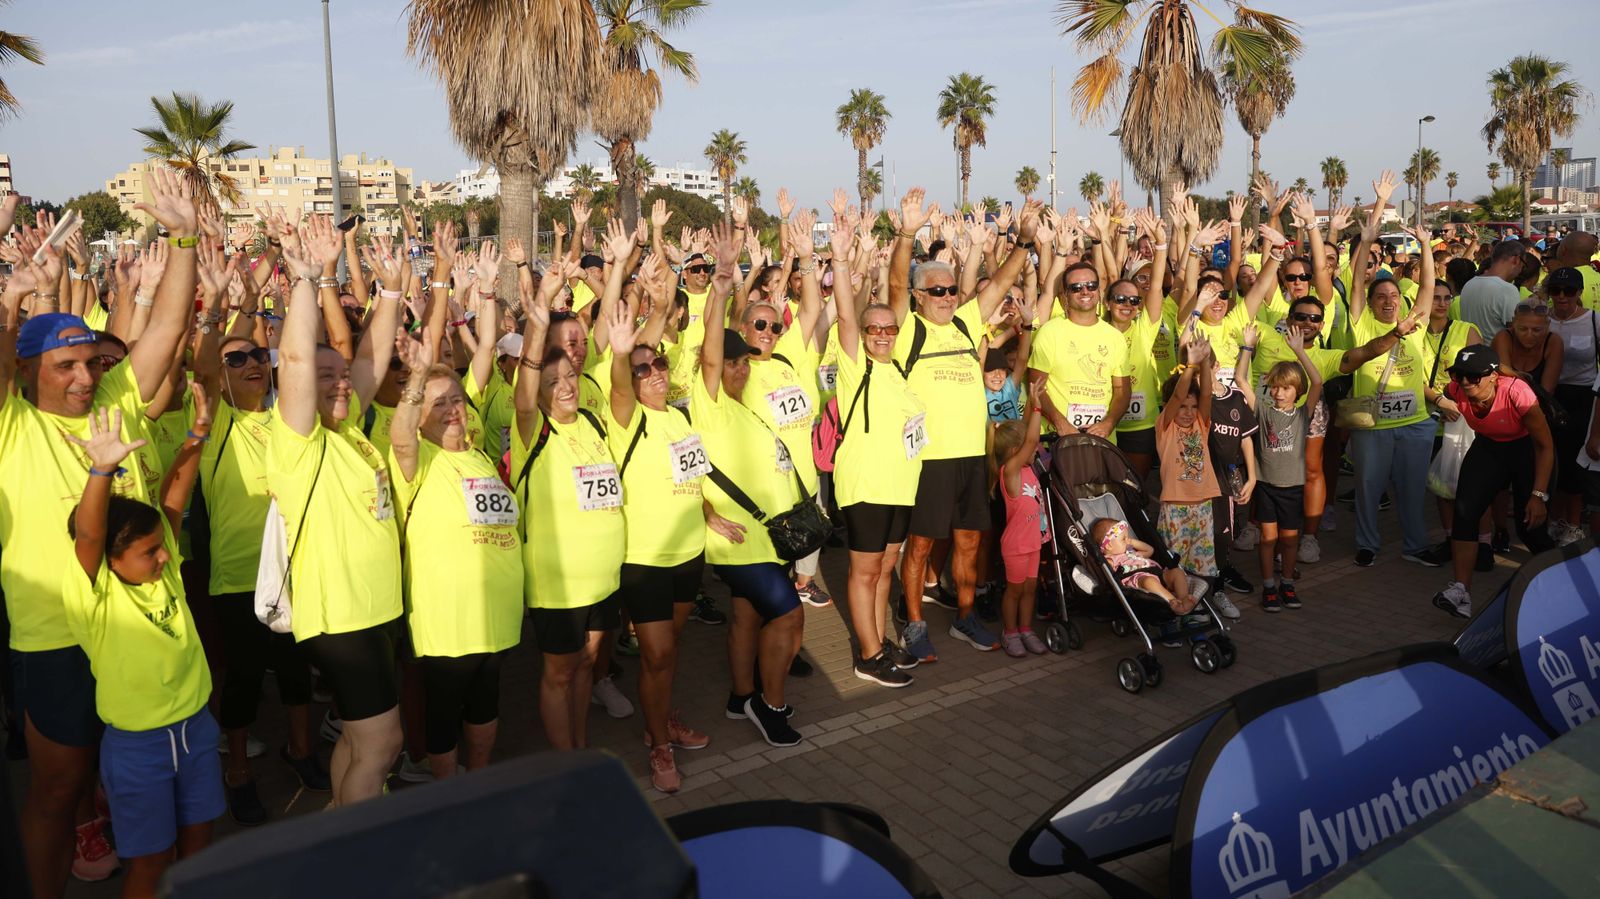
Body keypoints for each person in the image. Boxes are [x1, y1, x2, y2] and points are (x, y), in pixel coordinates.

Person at [1, 168, 199, 894]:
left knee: (142, 781)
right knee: (59, 791)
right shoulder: (12, 424)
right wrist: (11, 296)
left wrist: (185, 238)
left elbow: (169, 329)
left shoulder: (116, 398)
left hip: (138, 626)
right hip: (56, 638)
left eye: (90, 361)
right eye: (65, 366)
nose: (85, 377)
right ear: (28, 372)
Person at [62, 392, 222, 899]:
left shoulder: (163, 571)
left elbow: (174, 494)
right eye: (149, 551)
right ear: (112, 560)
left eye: (162, 547)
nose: (164, 556)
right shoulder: (96, 594)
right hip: (139, 748)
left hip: (196, 730)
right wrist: (102, 472)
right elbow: (90, 535)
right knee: (150, 862)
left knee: (199, 847)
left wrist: (198, 432)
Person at [269, 218, 405, 807]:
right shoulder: (297, 442)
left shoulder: (348, 433)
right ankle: (357, 845)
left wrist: (393, 293)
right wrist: (306, 277)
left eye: (342, 376)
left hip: (375, 611)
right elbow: (297, 360)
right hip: (342, 618)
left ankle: (337, 819)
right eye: (326, 378)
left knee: (356, 736)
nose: (341, 384)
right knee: (383, 743)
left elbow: (369, 359)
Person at [888, 189, 1039, 660]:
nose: (947, 297)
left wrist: (1024, 241)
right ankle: (914, 623)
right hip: (929, 459)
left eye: (951, 290)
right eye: (936, 291)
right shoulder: (908, 328)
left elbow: (1001, 282)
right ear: (918, 296)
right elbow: (893, 284)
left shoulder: (965, 323)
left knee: (970, 542)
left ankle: (965, 616)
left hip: (973, 455)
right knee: (920, 546)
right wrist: (907, 234)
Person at [389, 289, 524, 782]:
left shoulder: (480, 455)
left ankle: (479, 780)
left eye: (457, 401)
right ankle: (449, 793)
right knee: (444, 711)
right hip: (446, 621)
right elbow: (400, 436)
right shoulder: (417, 460)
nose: (451, 410)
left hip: (495, 615)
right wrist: (417, 377)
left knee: (486, 704)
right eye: (438, 403)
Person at [600, 240, 712, 794]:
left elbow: (694, 477)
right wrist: (625, 353)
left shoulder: (679, 418)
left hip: (690, 554)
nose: (654, 373)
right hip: (645, 559)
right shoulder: (624, 417)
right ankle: (659, 747)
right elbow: (622, 380)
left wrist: (710, 516)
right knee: (658, 653)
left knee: (668, 655)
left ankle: (659, 719)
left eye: (659, 363)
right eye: (643, 369)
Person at [694, 222, 806, 748]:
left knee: (745, 615)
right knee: (788, 614)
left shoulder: (745, 409)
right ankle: (770, 704)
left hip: (769, 536)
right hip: (743, 542)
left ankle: (740, 697)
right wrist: (721, 286)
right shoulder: (712, 405)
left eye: (743, 362)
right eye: (731, 362)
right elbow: (710, 354)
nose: (739, 369)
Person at [510, 257, 625, 753]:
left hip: (603, 578)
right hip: (558, 585)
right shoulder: (532, 430)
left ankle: (580, 749)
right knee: (559, 672)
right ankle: (565, 763)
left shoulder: (594, 424)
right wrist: (540, 311)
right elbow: (526, 386)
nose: (565, 387)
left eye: (569, 378)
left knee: (585, 664)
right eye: (552, 382)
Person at [1345, 176, 1444, 569]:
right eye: (1380, 297)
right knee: (1368, 489)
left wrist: (1425, 245)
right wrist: (1369, 235)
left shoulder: (1415, 320)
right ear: (1371, 303)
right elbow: (1356, 282)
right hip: (1373, 425)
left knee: (1412, 490)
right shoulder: (1362, 324)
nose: (1388, 302)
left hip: (1415, 423)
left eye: (1393, 297)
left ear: (1402, 302)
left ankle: (1415, 546)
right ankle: (1367, 543)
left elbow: (1429, 286)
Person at [1432, 346, 1555, 617]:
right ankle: (1461, 593)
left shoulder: (1517, 392)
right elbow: (1432, 391)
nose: (1465, 382)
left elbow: (1545, 447)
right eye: (1459, 374)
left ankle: (1563, 576)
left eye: (1474, 376)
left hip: (1527, 451)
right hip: (1489, 448)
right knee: (1465, 512)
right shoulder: (1455, 389)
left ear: (1493, 376)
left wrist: (1538, 495)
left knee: (1529, 527)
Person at [1254, 331, 1323, 612]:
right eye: (1275, 387)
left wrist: (1299, 351)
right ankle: (1268, 586)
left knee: (1290, 540)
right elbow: (1243, 382)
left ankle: (1287, 583)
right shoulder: (1262, 411)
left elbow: (1316, 381)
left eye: (1286, 388)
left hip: (1293, 488)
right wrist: (1247, 348)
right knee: (1268, 539)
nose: (1279, 393)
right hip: (1265, 486)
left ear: (1298, 391)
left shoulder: (1303, 415)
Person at [1156, 337, 1221, 580]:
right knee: (1174, 565)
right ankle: (1175, 601)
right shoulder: (1166, 427)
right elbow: (1177, 396)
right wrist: (1191, 365)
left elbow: (1206, 394)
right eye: (1183, 407)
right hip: (1175, 506)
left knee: (1201, 565)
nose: (1189, 413)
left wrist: (1204, 361)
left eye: (1193, 407)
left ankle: (1196, 600)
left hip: (1203, 504)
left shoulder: (1200, 425)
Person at [992, 399, 1049, 657]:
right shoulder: (1010, 472)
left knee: (1029, 589)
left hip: (1033, 542)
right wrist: (1037, 408)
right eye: (1029, 446)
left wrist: (1032, 406)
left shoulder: (1028, 468)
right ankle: (1010, 632)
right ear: (1017, 450)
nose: (1035, 448)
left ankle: (1026, 629)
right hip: (1016, 545)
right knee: (1014, 591)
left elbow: (1027, 435)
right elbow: (1031, 438)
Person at [1544, 266, 1597, 541]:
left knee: (1574, 461)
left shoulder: (1594, 320)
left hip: (1584, 397)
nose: (1562, 296)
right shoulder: (1543, 320)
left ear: (1580, 292)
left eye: (1569, 291)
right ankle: (1555, 519)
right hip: (1550, 395)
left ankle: (1574, 524)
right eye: (1556, 290)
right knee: (1552, 459)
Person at [1090, 518, 1195, 614]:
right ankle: (1174, 602)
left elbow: (1150, 550)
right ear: (1109, 545)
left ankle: (1183, 598)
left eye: (1128, 537)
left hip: (1157, 573)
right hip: (1139, 580)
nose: (1128, 540)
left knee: (1177, 572)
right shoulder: (1111, 559)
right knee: (1149, 581)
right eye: (1123, 539)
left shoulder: (1131, 551)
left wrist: (1132, 542)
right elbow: (1106, 571)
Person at [1458, 240, 1526, 343]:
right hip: (1496, 352)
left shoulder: (1469, 284)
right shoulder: (1507, 290)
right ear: (1516, 260)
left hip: (1470, 350)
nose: (1521, 271)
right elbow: (1516, 333)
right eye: (1523, 265)